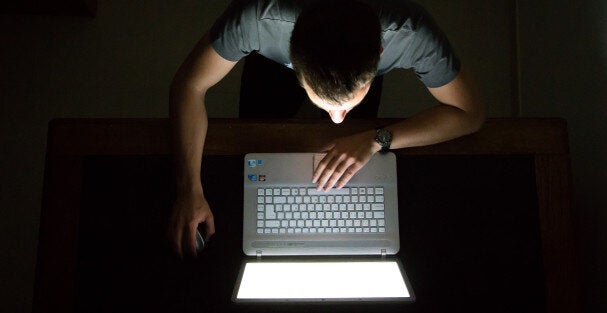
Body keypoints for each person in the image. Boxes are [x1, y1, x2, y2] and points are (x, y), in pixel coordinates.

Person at [168, 0, 485, 257]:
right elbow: (189, 85)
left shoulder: (410, 31)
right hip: (271, 63)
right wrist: (189, 189)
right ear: (293, 58)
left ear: (379, 54)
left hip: (359, 43)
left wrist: (379, 139)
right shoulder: (257, 19)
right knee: (261, 140)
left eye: (347, 104)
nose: (337, 119)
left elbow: (470, 114)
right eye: (327, 104)